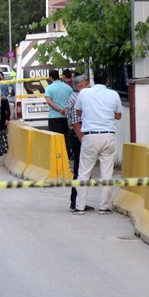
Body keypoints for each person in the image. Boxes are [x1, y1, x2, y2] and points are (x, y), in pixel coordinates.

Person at [73, 69, 123, 214]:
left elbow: (78, 112)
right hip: (108, 136)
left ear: (93, 79)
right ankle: (104, 206)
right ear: (107, 80)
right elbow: (118, 116)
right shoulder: (114, 94)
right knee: (107, 173)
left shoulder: (84, 93)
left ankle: (80, 206)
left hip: (90, 136)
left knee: (83, 172)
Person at [63, 75, 91, 212]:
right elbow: (76, 124)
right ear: (80, 87)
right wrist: (83, 142)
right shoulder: (76, 99)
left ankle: (78, 201)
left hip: (78, 136)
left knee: (82, 170)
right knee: (81, 170)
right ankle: (76, 202)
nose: (89, 86)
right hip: (78, 136)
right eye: (87, 84)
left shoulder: (77, 97)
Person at [44, 69, 74, 137]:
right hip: (66, 116)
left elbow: (49, 102)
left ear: (51, 77)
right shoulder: (68, 88)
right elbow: (72, 101)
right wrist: (65, 110)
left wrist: (59, 110)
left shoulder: (49, 88)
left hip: (54, 117)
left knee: (56, 139)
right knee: (66, 138)